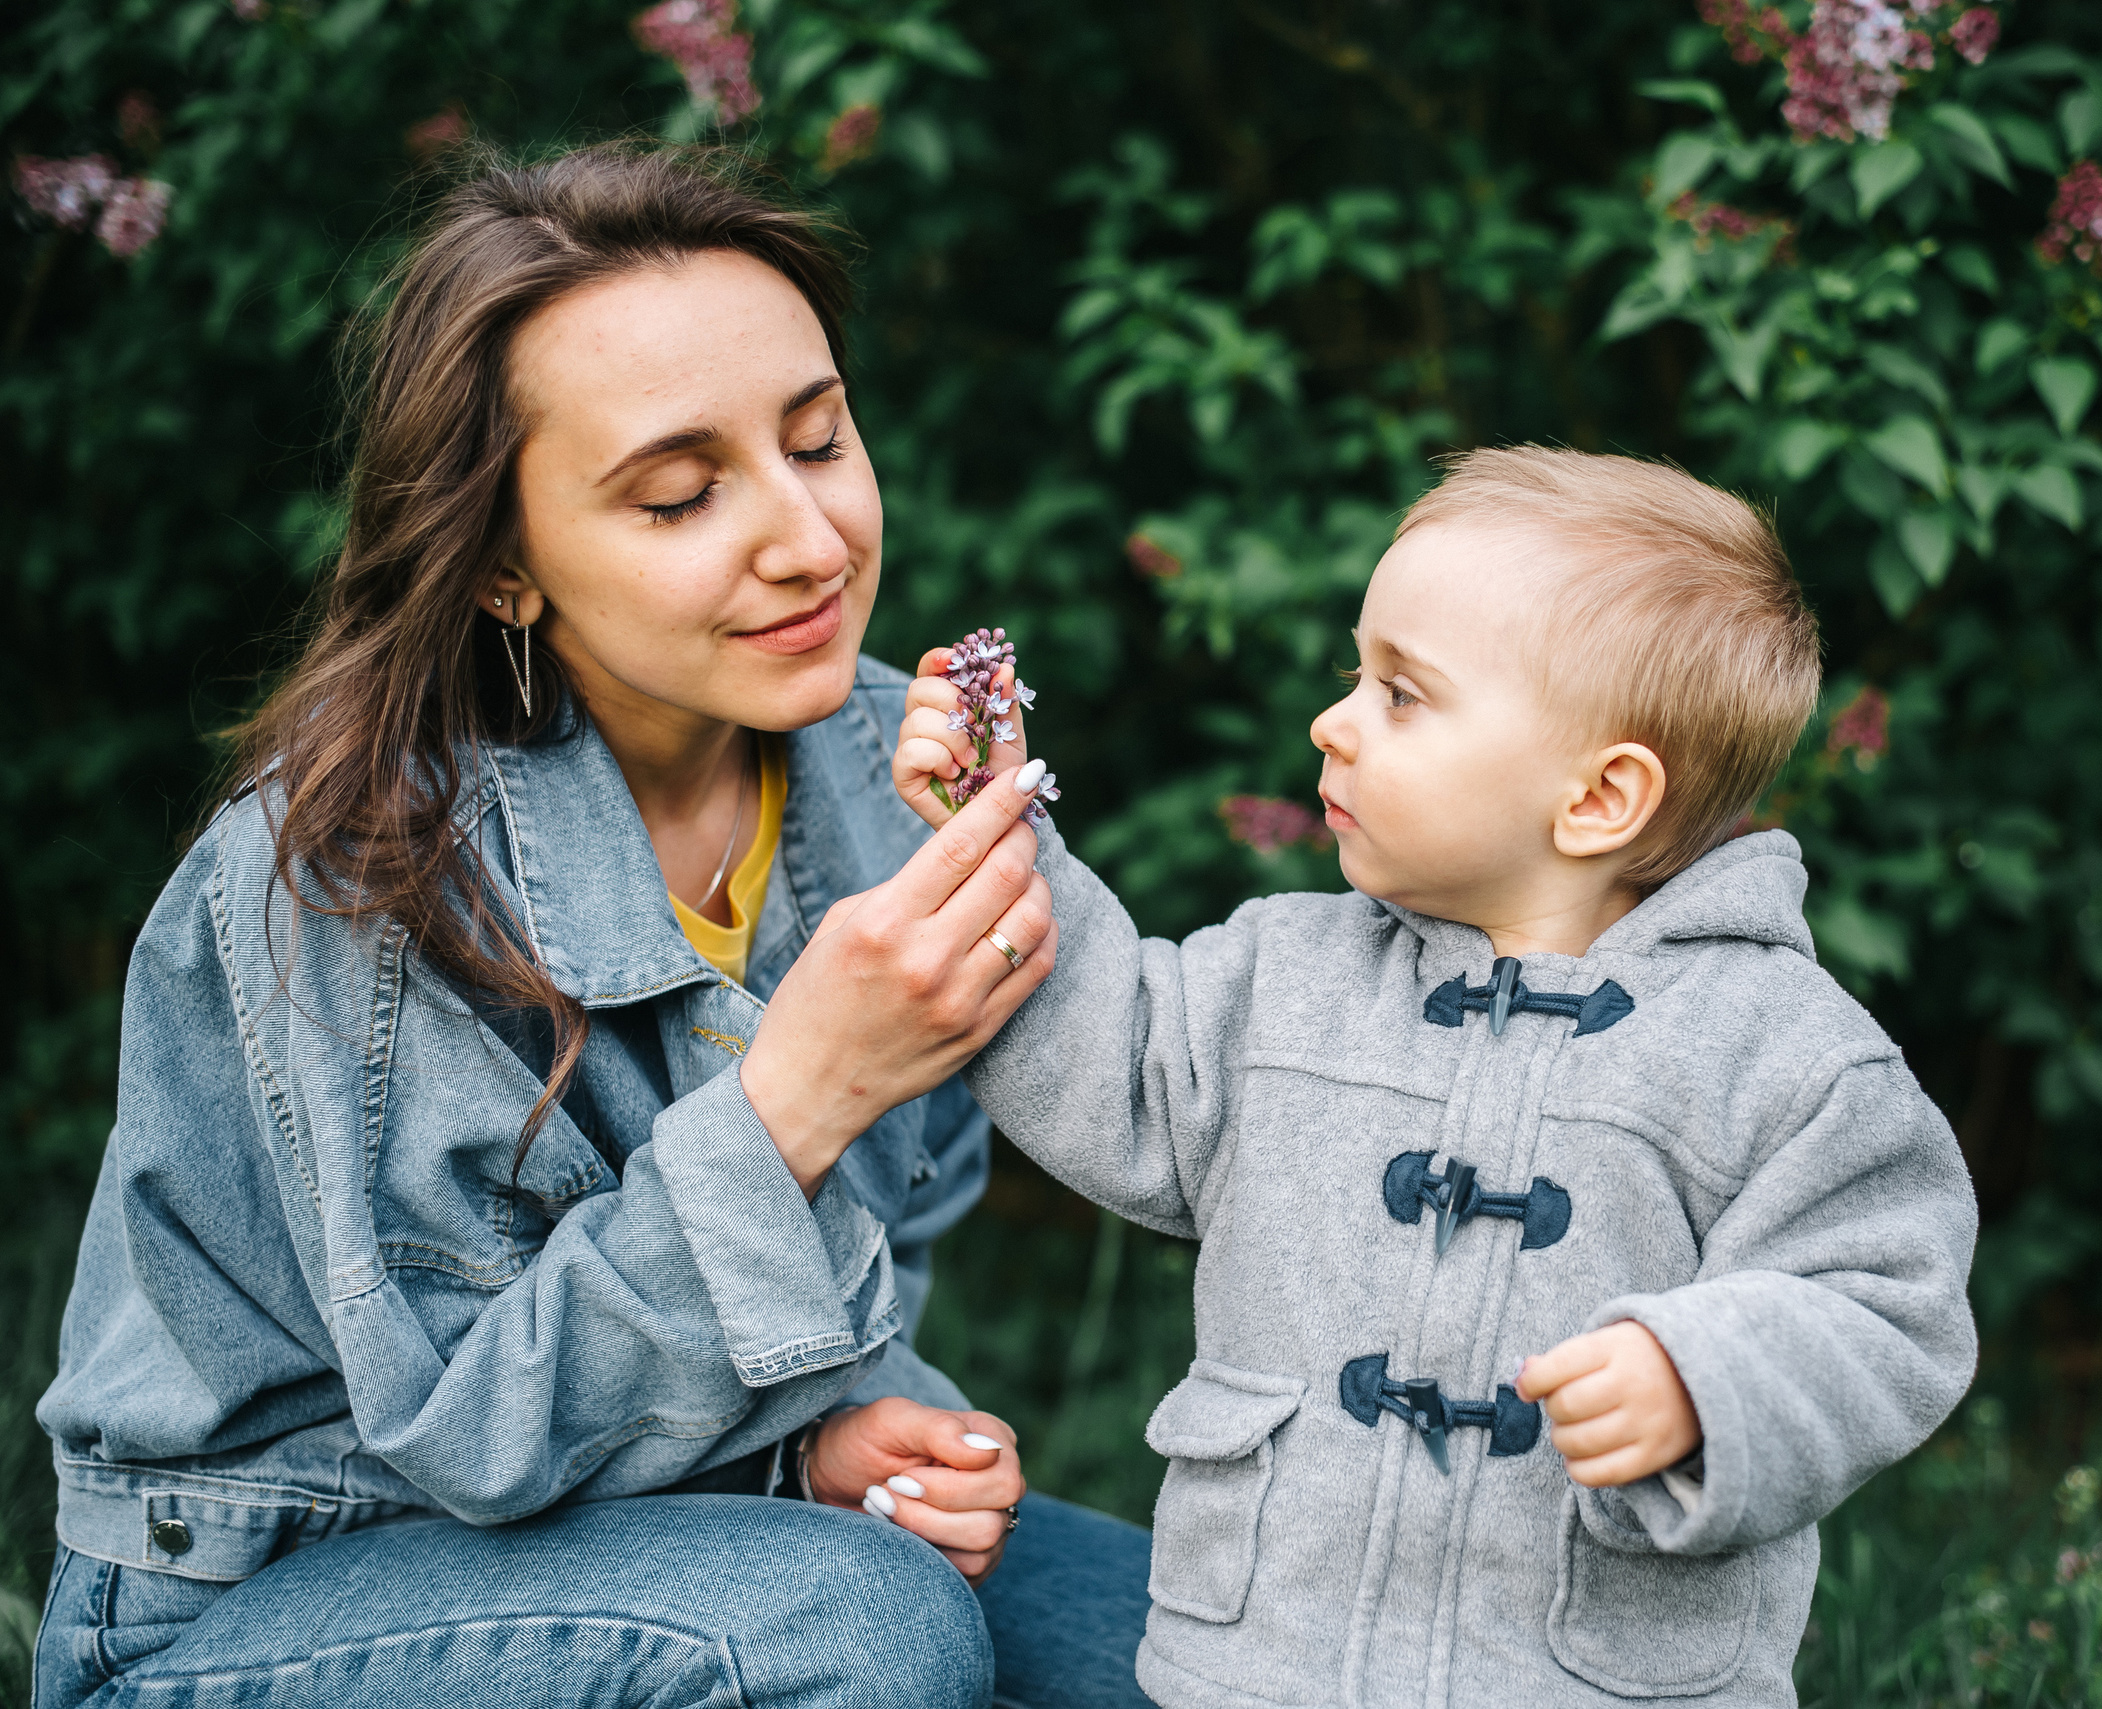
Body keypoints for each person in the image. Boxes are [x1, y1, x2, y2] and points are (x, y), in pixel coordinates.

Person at [32, 144, 1149, 1709]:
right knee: (855, 1632)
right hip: (271, 1586)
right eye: (683, 493)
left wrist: (846, 1434)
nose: (813, 544)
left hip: (694, 1517)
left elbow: (897, 1238)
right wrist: (803, 1093)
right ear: (502, 564)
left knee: (1205, 1643)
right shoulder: (354, 866)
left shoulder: (884, 765)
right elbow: (466, 1434)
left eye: (820, 441)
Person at [892, 446, 1981, 1707]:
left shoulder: (1779, 1053)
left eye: (1401, 693)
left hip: (1594, 1679)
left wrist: (1705, 1376)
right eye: (1357, 671)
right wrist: (996, 836)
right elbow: (1109, 1052)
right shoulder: (1284, 975)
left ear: (1600, 796)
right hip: (1259, 1667)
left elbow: (1884, 1295)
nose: (1333, 718)